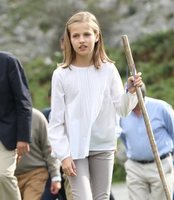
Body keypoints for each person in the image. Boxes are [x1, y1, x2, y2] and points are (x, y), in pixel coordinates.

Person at [48, 11, 142, 200]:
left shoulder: (108, 69)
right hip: (74, 148)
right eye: (76, 35)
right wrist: (63, 155)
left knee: (102, 198)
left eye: (87, 34)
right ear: (69, 39)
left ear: (97, 36)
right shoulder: (61, 74)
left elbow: (122, 109)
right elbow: (56, 121)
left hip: (103, 145)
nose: (81, 40)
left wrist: (130, 92)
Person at [119, 83, 174, 200]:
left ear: (141, 95)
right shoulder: (122, 114)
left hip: (161, 163)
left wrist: (172, 156)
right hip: (135, 166)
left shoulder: (161, 108)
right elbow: (123, 137)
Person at [0, 51, 32, 200]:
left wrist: (23, 137)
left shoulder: (9, 62)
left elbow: (23, 102)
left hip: (6, 134)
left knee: (3, 175)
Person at [15, 108, 62, 200]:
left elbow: (49, 149)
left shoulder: (36, 117)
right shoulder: (4, 118)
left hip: (34, 174)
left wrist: (55, 176)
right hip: (8, 177)